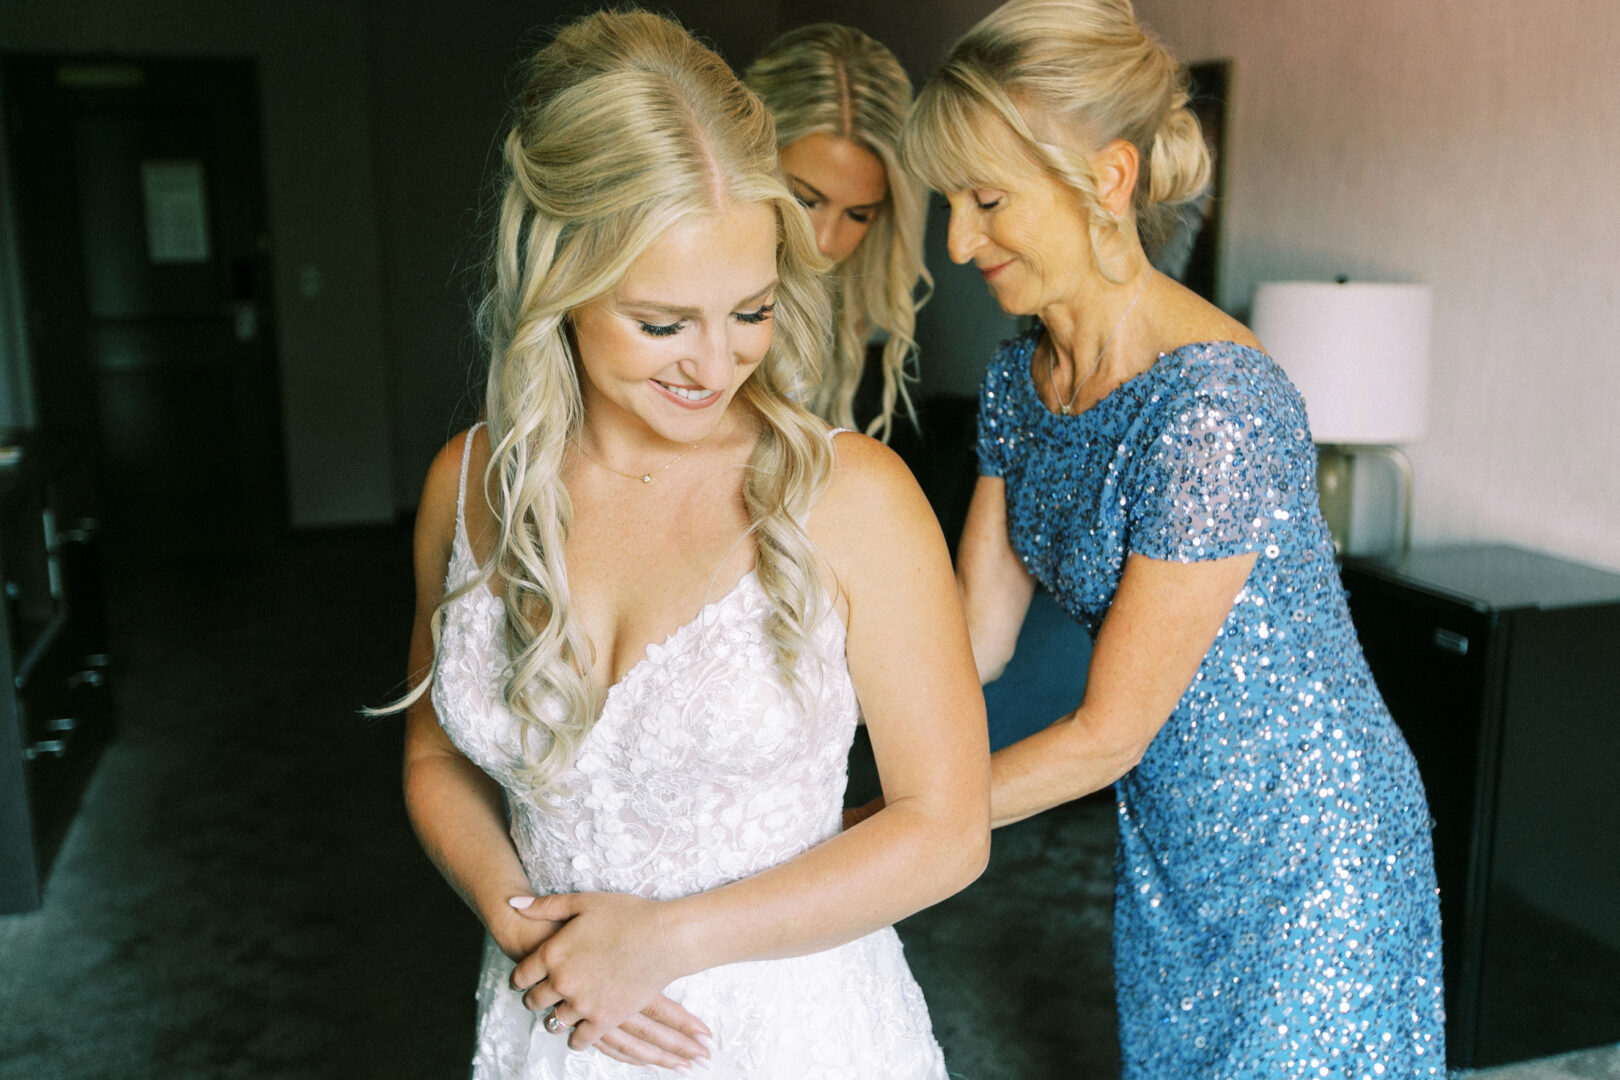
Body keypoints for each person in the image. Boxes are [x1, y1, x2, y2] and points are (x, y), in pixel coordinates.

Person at [395, 10, 988, 1079]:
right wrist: (523, 921)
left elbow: (947, 829)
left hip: (792, 1037)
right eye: (662, 323)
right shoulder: (472, 482)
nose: (712, 366)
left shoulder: (851, 497)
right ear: (558, 277)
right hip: (551, 1021)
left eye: (752, 311)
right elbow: (437, 753)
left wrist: (667, 940)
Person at [896, 0, 1448, 1075]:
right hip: (1173, 845)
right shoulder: (1022, 379)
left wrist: (899, 825)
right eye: (949, 202)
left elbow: (1107, 733)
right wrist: (815, 755)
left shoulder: (1213, 411)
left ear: (1107, 181)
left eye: (988, 199)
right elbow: (974, 641)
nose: (957, 242)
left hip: (1314, 851)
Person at [743, 23, 930, 442]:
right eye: (804, 200)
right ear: (748, 159)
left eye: (859, 215)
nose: (825, 241)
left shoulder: (859, 317)